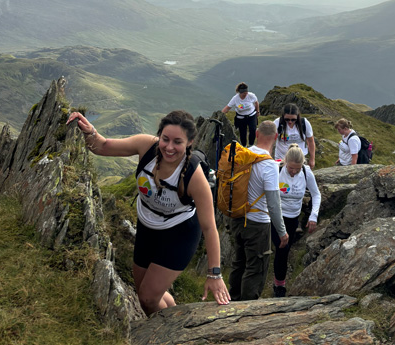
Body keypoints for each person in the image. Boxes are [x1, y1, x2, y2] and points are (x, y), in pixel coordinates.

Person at [66, 109, 230, 315]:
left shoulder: (194, 177)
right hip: (147, 226)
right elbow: (102, 146)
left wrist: (214, 274)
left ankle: (166, 334)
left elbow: (210, 228)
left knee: (147, 298)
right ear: (158, 136)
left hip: (179, 234)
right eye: (165, 139)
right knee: (144, 291)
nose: (169, 147)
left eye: (177, 142)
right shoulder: (146, 146)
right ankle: (175, 319)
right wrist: (88, 130)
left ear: (189, 143)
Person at [229, 121, 289, 301]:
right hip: (257, 223)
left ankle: (231, 301)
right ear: (276, 137)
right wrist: (282, 232)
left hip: (238, 218)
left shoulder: (243, 155)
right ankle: (246, 309)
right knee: (256, 268)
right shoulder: (269, 165)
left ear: (256, 134)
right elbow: (273, 203)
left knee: (239, 263)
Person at [271, 143, 321, 297]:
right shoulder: (277, 170)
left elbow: (316, 195)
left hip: (293, 218)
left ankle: (278, 279)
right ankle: (279, 285)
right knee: (282, 248)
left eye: (296, 169)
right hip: (276, 217)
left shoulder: (306, 172)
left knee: (285, 250)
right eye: (290, 168)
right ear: (285, 162)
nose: (293, 172)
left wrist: (313, 216)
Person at [273, 103, 315, 168]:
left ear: (297, 116)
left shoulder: (304, 123)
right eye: (287, 119)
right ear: (283, 116)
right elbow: (270, 141)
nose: (290, 122)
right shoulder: (277, 123)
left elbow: (310, 141)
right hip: (281, 159)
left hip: (300, 159)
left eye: (293, 119)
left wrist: (312, 159)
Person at [222, 82, 259, 147]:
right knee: (242, 132)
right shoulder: (235, 98)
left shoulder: (251, 95)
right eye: (244, 93)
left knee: (253, 129)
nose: (245, 94)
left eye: (246, 93)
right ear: (240, 93)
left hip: (251, 115)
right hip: (241, 118)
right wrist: (221, 114)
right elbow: (227, 107)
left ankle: (251, 145)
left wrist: (258, 111)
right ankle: (244, 146)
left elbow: (256, 103)